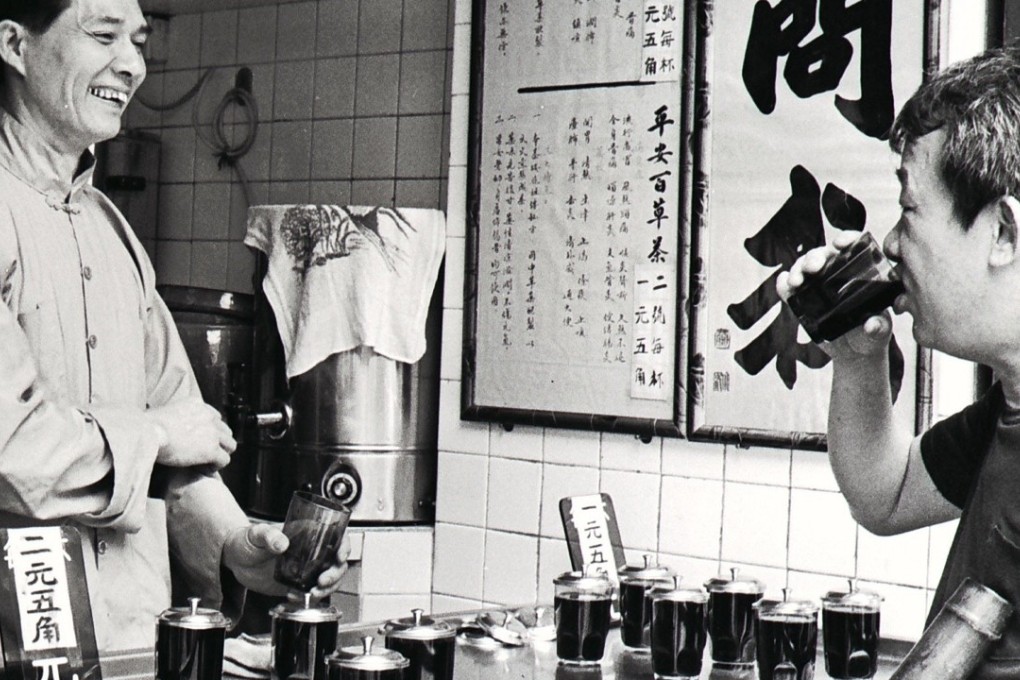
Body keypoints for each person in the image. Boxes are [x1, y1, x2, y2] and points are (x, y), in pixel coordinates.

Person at [0, 0, 349, 657]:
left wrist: (242, 548)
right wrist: (157, 436)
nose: (131, 65)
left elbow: (182, 448)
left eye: (137, 42)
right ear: (15, 45)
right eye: (103, 36)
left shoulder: (113, 229)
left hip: (131, 643)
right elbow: (12, 451)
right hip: (19, 643)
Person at [778, 45, 1020, 677]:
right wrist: (859, 356)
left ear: (1003, 235)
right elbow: (884, 495)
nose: (889, 241)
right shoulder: (1009, 410)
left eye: (910, 210)